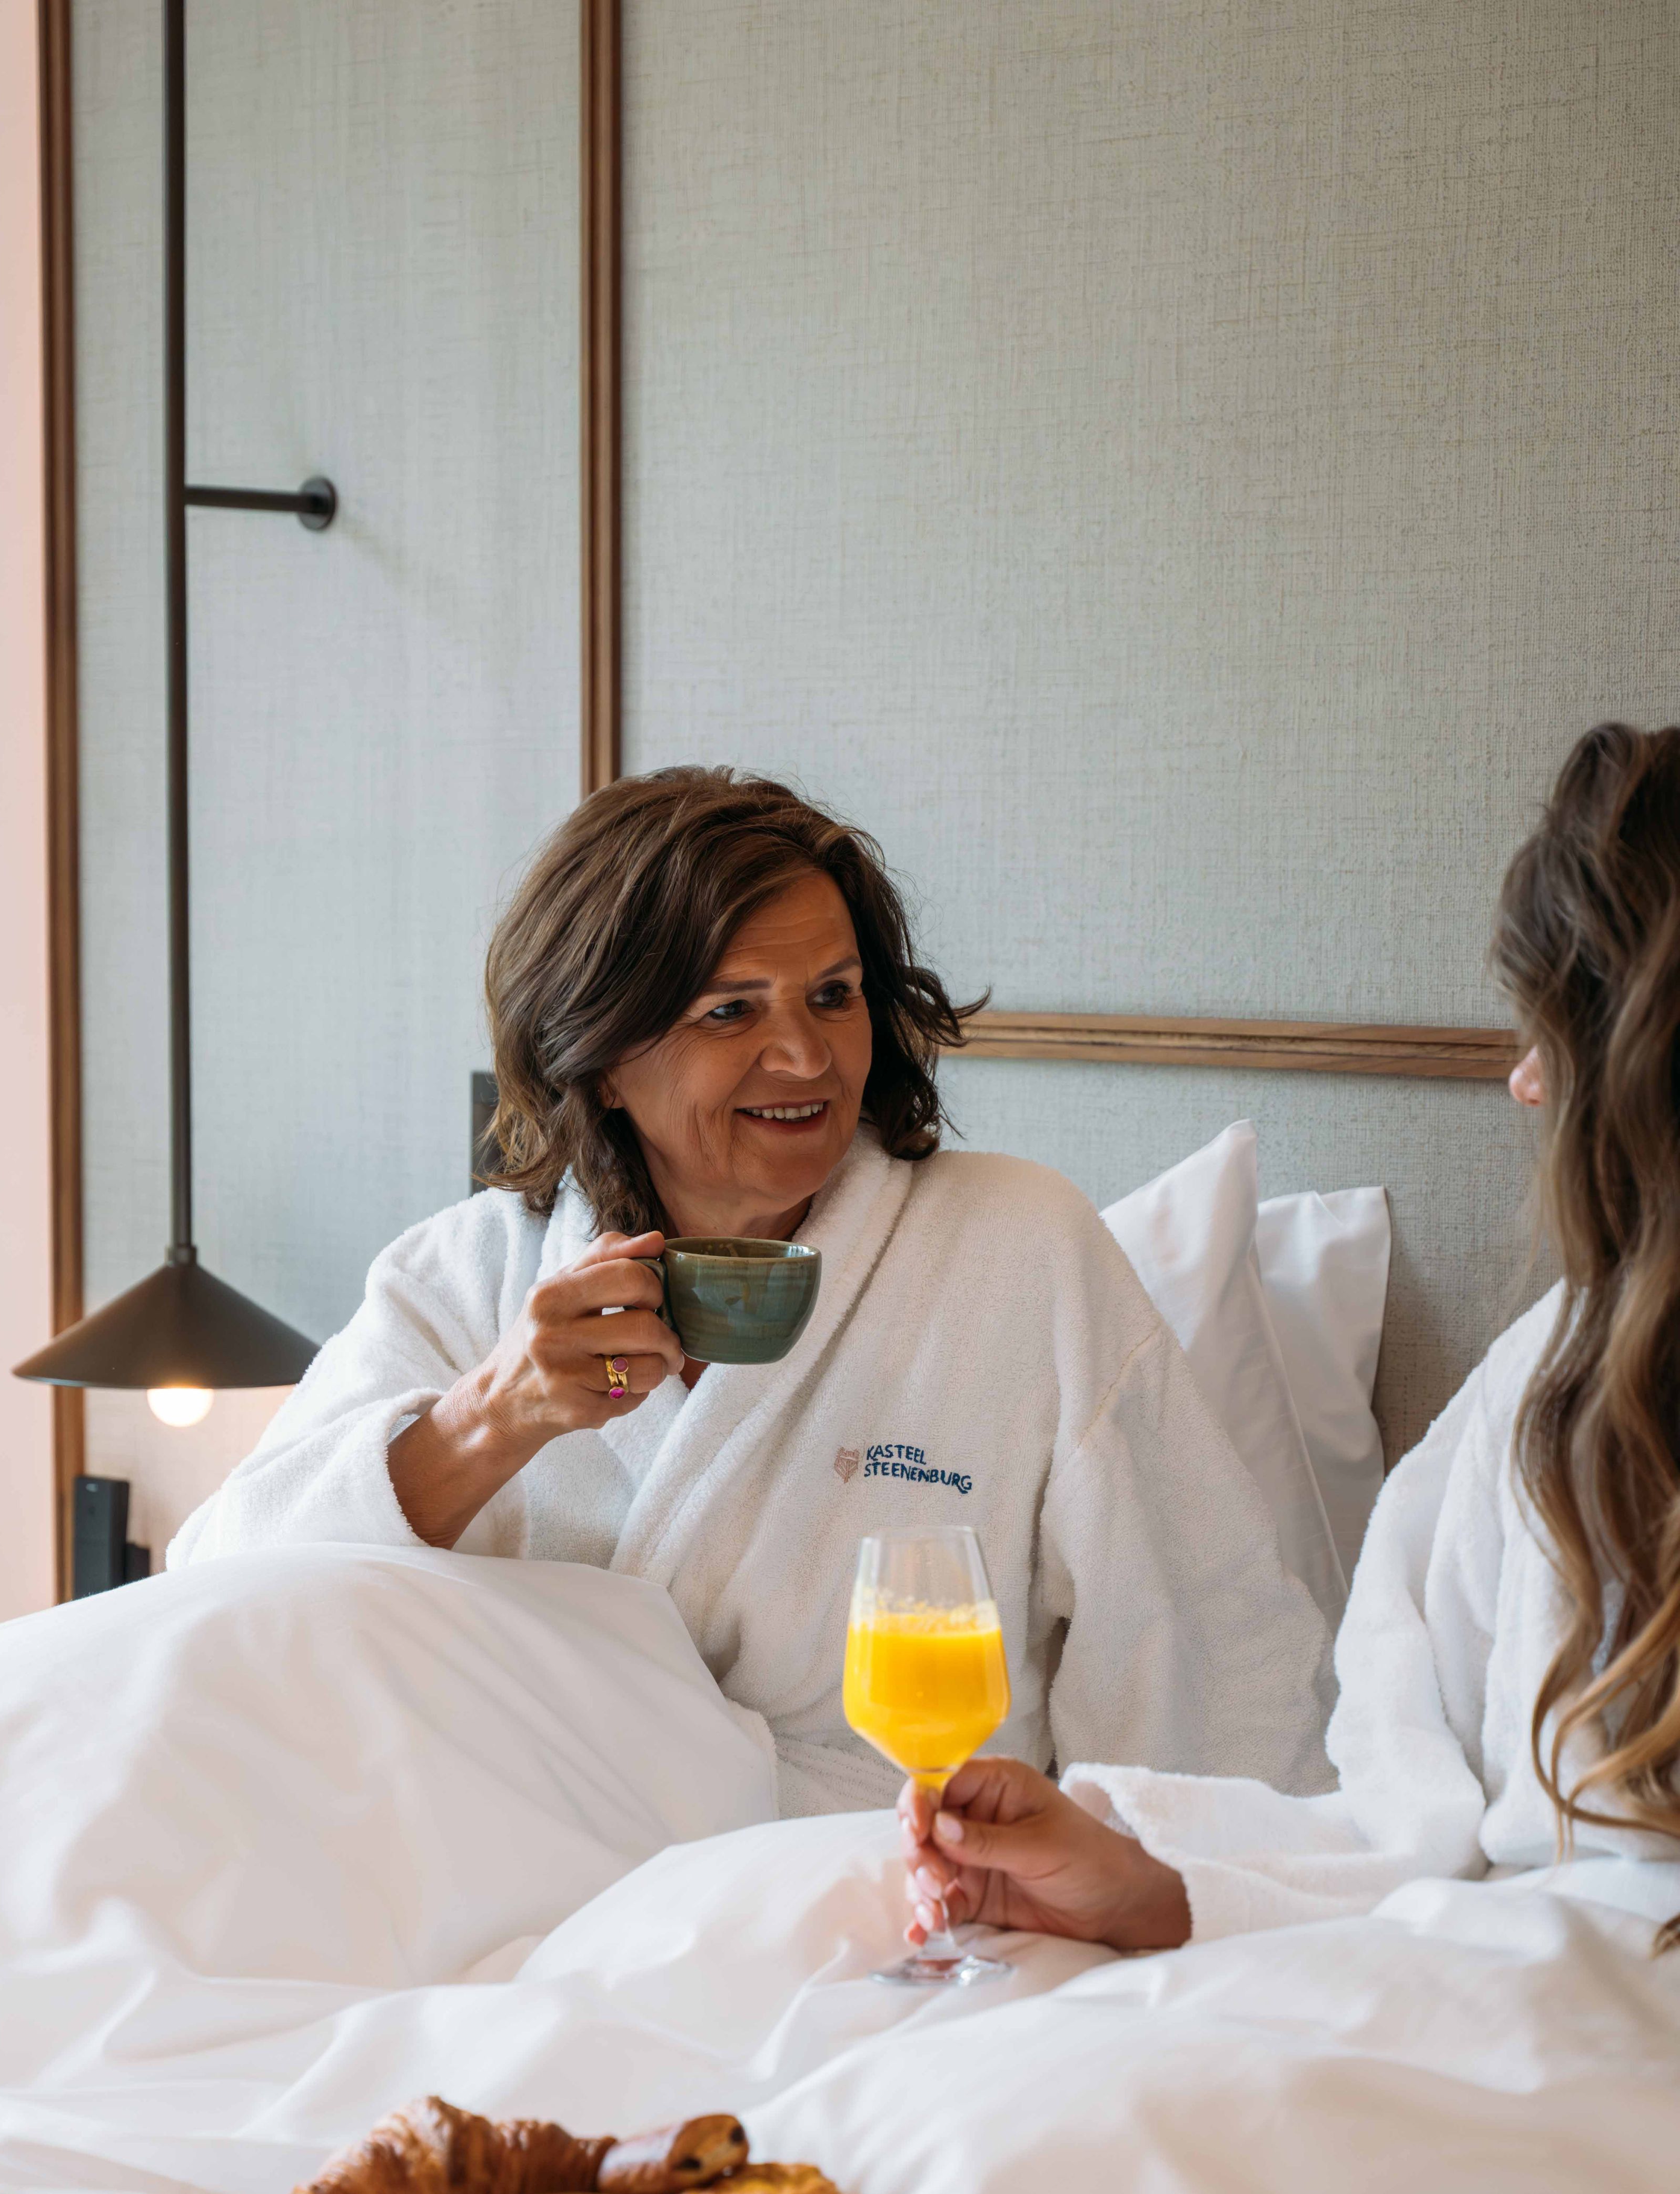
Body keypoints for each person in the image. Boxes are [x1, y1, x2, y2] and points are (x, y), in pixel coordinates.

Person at [172, 768, 1334, 1815]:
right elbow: (222, 1599)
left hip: (877, 1877)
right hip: (516, 1862)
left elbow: (1206, 1650)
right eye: (731, 1011)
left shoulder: (1016, 1250)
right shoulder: (471, 1278)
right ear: (603, 1058)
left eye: (834, 996)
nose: (808, 1057)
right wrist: (490, 1419)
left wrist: (1162, 1901)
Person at [902, 722, 1680, 1952]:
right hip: (1518, 1956)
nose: (1525, 1083)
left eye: (1558, 1031)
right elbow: (1412, 1815)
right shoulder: (1562, 1365)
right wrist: (1144, 1886)